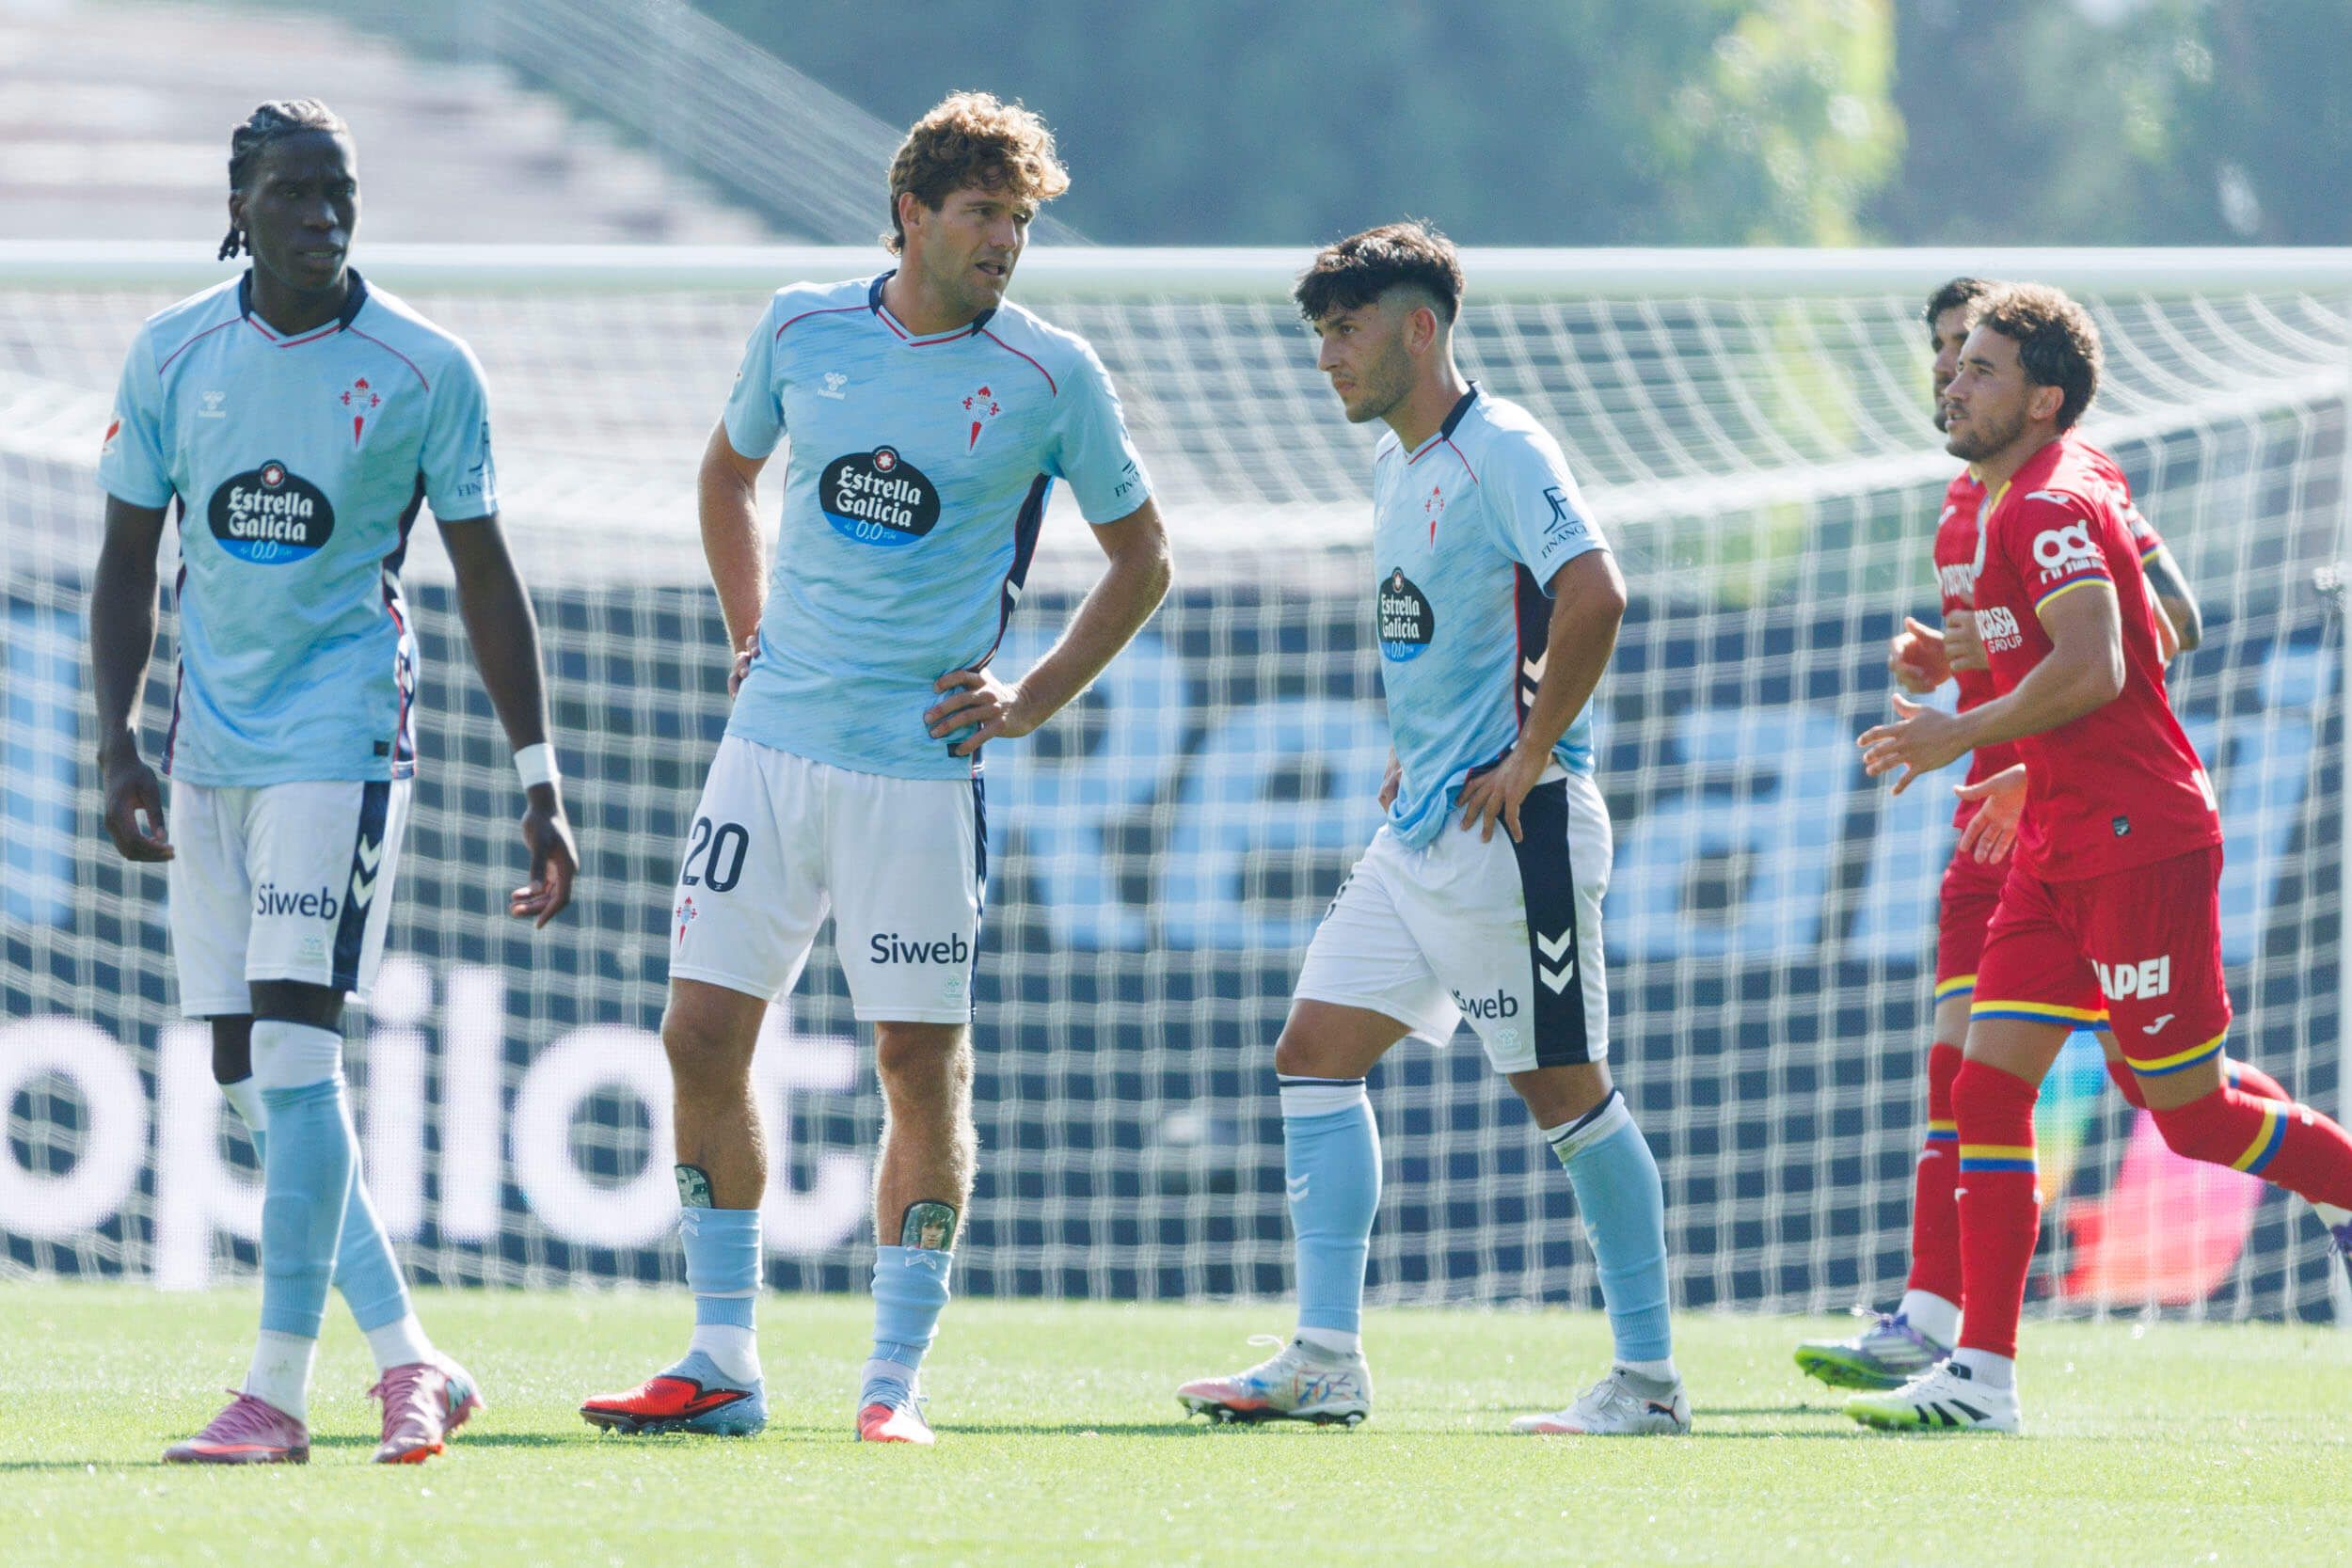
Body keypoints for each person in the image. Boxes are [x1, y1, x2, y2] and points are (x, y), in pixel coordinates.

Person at [579, 92, 1170, 1447]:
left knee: (917, 1059)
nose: (1005, 244)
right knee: (700, 1033)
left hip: (920, 771)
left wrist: (1027, 697)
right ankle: (721, 1356)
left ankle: (892, 1382)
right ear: (912, 211)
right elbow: (726, 475)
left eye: (1020, 222)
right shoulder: (801, 326)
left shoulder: (1050, 375)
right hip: (770, 747)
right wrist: (748, 631)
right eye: (982, 215)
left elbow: (1145, 557)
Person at [92, 100, 578, 1465]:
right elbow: (128, 558)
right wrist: (118, 741)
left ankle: (275, 1391)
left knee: (300, 1054)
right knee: (253, 1081)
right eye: (295, 192)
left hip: (343, 734)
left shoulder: (424, 367)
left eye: (340, 192)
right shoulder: (174, 353)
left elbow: (486, 574)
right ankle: (414, 1353)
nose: (323, 215)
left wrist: (539, 777)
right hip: (208, 750)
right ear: (238, 199)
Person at [1173, 222, 1685, 1436]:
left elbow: (1594, 592)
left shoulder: (1502, 444)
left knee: (1568, 1097)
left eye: (1346, 329)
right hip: (1418, 832)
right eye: (1319, 335)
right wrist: (1423, 739)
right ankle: (1327, 1356)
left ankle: (1650, 1380)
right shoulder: (1394, 467)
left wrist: (1529, 750)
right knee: (1311, 1050)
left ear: (1421, 327)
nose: (1328, 356)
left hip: (1515, 836)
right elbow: (1443, 626)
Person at [1848, 283, 2352, 1433]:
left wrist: (1961, 732)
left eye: (1976, 367)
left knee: (2189, 1113)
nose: (1951, 380)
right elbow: (2067, 659)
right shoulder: (1991, 506)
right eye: (1952, 360)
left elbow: (2106, 663)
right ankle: (1980, 1370)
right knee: (1985, 1082)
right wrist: (2004, 729)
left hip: (2139, 843)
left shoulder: (2051, 500)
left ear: (2042, 399)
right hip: (2056, 838)